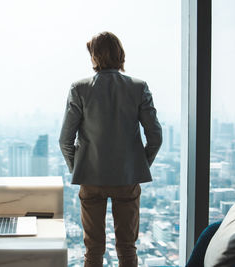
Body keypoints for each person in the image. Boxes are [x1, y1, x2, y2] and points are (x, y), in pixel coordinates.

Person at [59, 31, 162, 267]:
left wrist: (80, 168)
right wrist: (138, 165)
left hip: (91, 178)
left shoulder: (79, 88)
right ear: (120, 54)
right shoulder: (139, 87)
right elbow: (155, 136)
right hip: (126, 179)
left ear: (94, 57)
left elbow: (65, 139)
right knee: (127, 249)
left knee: (93, 251)